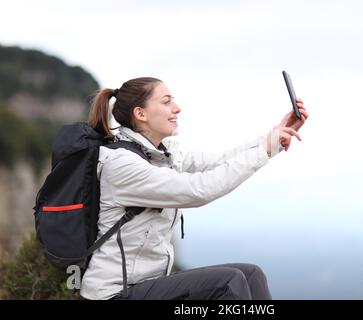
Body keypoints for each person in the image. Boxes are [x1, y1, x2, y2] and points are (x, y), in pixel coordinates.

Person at [80, 77, 308, 300]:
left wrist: (276, 137)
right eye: (167, 101)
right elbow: (199, 189)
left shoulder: (161, 155)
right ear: (141, 114)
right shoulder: (122, 164)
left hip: (147, 285)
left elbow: (219, 161)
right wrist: (265, 150)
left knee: (251, 274)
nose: (177, 108)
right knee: (229, 282)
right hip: (115, 294)